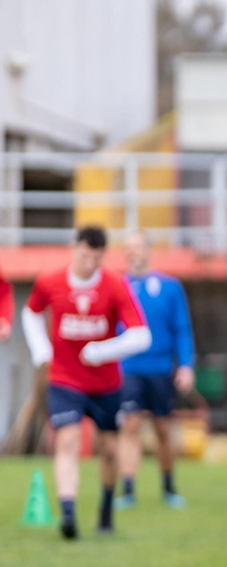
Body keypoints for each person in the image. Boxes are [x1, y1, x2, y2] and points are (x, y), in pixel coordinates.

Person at [20, 225, 149, 539]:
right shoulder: (50, 281)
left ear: (103, 256)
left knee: (109, 448)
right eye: (84, 255)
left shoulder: (115, 285)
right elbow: (31, 313)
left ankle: (106, 510)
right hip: (64, 380)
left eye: (96, 257)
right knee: (67, 440)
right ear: (74, 248)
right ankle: (68, 514)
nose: (89, 263)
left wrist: (102, 351)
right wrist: (41, 351)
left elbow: (141, 335)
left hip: (106, 384)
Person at [115, 232, 196, 510]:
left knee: (162, 427)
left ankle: (169, 486)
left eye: (136, 247)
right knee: (130, 425)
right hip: (128, 368)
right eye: (127, 248)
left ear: (148, 250)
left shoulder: (169, 286)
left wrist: (186, 365)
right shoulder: (118, 285)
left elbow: (182, 329)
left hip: (160, 368)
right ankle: (128, 489)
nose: (132, 253)